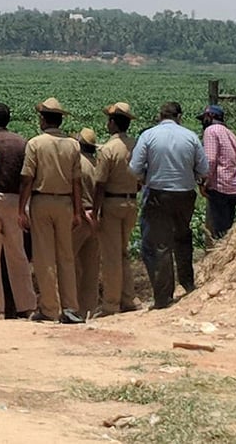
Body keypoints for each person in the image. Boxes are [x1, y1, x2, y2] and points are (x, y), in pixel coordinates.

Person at [130, 102, 209, 309]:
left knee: (160, 245)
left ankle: (164, 297)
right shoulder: (191, 137)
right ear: (179, 117)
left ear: (160, 116)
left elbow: (135, 168)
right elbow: (204, 169)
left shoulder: (148, 136)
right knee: (182, 236)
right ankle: (188, 283)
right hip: (185, 194)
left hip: (158, 193)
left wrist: (146, 177)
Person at [18, 98, 84, 324]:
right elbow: (77, 182)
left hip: (41, 201)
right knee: (66, 256)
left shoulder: (35, 143)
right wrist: (77, 211)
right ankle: (71, 307)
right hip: (65, 202)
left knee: (44, 256)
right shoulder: (73, 145)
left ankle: (49, 307)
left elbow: (27, 178)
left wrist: (21, 209)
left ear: (44, 120)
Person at [0, 103, 37, 319]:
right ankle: (28, 306)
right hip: (15, 201)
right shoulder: (21, 142)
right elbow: (27, 176)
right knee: (18, 255)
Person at [93, 102, 142, 317]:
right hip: (131, 201)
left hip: (112, 203)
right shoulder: (137, 146)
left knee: (111, 255)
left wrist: (95, 211)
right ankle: (129, 298)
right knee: (123, 252)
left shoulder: (108, 149)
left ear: (113, 123)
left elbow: (100, 183)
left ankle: (111, 303)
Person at [197, 105, 236, 240]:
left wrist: (203, 182)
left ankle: (221, 251)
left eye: (204, 118)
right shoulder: (230, 133)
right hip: (234, 187)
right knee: (228, 228)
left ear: (210, 117)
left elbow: (210, 160)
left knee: (220, 232)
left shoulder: (211, 131)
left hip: (219, 186)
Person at [72, 128, 99, 318]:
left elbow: (76, 190)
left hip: (81, 217)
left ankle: (71, 306)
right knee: (91, 267)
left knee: (69, 262)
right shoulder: (97, 163)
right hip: (96, 217)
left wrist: (80, 212)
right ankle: (88, 309)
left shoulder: (78, 163)